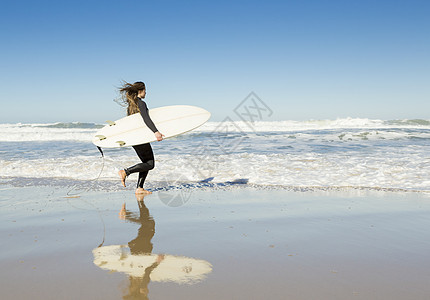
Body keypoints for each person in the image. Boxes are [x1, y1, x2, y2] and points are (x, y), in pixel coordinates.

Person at [117, 81, 164, 194]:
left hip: (134, 138)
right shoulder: (141, 103)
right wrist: (156, 132)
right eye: (145, 90)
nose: (146, 93)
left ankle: (139, 188)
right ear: (140, 91)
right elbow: (146, 119)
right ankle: (125, 172)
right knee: (150, 164)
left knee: (146, 162)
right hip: (139, 138)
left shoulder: (131, 106)